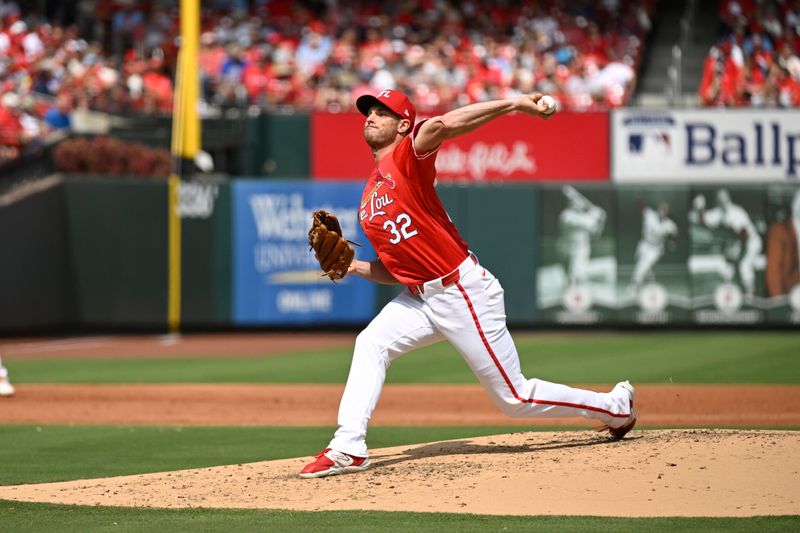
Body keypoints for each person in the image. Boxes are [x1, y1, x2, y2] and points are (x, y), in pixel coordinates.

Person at [299, 90, 636, 479]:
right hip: (421, 294)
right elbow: (400, 267)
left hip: (461, 290)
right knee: (371, 343)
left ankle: (616, 407)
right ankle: (349, 447)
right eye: (369, 112)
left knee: (514, 398)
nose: (371, 117)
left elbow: (442, 125)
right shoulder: (370, 191)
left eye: (383, 112)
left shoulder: (407, 157)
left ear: (404, 125)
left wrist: (513, 104)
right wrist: (353, 266)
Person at [691, 189, 762, 298]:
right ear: (717, 201)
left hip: (751, 242)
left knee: (744, 266)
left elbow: (744, 234)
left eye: (724, 198)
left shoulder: (736, 212)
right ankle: (734, 296)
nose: (722, 201)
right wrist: (699, 208)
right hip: (736, 243)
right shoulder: (718, 213)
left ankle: (750, 296)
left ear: (729, 199)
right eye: (720, 199)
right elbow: (703, 218)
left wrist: (738, 249)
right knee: (727, 271)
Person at [558, 185, 607, 287]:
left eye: (579, 203)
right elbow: (586, 222)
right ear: (570, 204)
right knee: (569, 273)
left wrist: (601, 221)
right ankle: (570, 285)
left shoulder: (584, 216)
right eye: (575, 203)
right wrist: (596, 214)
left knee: (578, 274)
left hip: (581, 248)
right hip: (567, 247)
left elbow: (596, 234)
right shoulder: (566, 215)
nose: (579, 205)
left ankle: (575, 287)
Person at [630, 201, 678, 291]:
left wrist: (672, 242)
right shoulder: (649, 214)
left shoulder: (669, 224)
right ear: (658, 209)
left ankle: (634, 285)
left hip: (656, 249)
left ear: (668, 212)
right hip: (644, 243)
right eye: (662, 208)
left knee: (643, 265)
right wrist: (638, 198)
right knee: (639, 262)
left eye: (665, 209)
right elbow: (640, 207)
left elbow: (675, 234)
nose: (663, 211)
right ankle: (650, 277)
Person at [765, 189, 800, 297]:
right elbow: (773, 270)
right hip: (788, 297)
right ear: (795, 207)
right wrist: (779, 303)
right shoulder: (778, 231)